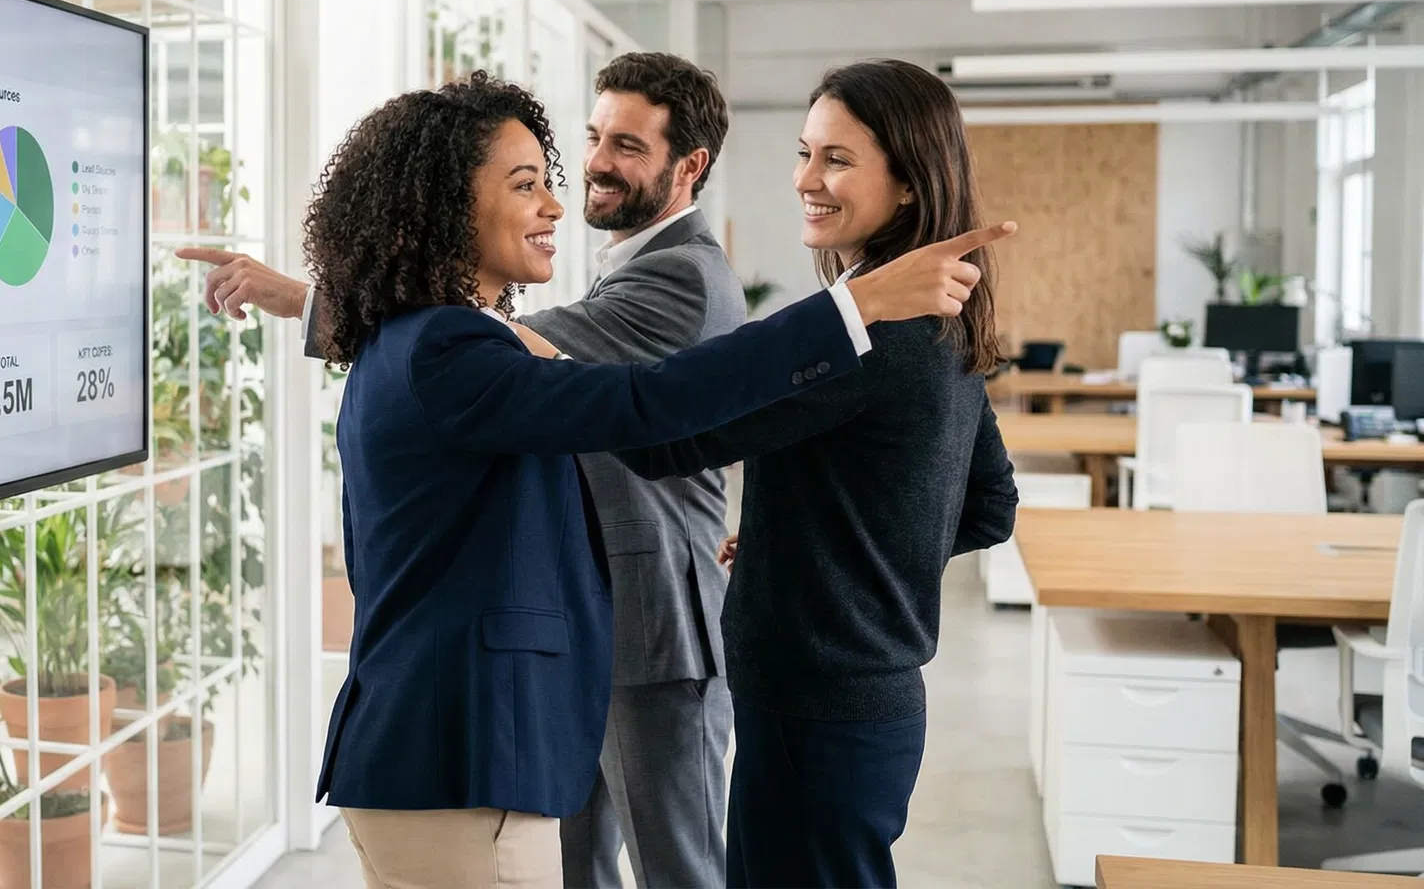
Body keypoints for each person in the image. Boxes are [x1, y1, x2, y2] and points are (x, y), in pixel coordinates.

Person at [292, 71, 1007, 889]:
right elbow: (642, 405)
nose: (559, 202)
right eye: (529, 184)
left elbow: (661, 424)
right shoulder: (450, 351)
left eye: (834, 158)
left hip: (535, 724)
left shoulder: (432, 343)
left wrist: (832, 553)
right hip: (459, 748)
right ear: (446, 205)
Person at [183, 52, 752, 889]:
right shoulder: (600, 269)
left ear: (688, 165)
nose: (594, 163)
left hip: (651, 626)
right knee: (573, 865)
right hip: (561, 635)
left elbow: (510, 353)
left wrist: (312, 298)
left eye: (627, 145)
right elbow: (475, 347)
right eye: (593, 136)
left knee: (679, 867)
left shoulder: (682, 274)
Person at [610, 59, 1022, 889]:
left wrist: (532, 360)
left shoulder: (864, 334)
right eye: (804, 153)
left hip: (815, 707)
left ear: (908, 184)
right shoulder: (938, 319)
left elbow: (662, 439)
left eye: (836, 159)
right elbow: (989, 506)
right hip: (864, 705)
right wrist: (809, 546)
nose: (806, 179)